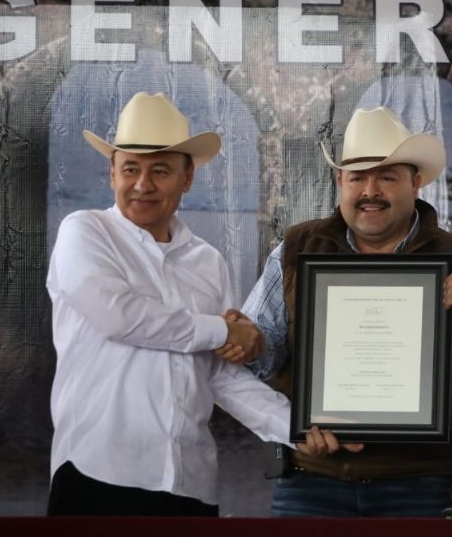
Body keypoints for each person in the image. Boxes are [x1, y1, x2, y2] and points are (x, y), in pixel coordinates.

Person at [241, 106, 452, 517]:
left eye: (387, 177)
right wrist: (249, 346)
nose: (370, 191)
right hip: (310, 482)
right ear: (340, 182)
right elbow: (256, 365)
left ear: (416, 182)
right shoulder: (295, 252)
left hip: (420, 487)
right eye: (357, 177)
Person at [46, 92, 303, 516]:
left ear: (187, 179)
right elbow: (121, 317)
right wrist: (226, 331)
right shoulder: (84, 232)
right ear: (111, 174)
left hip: (190, 487)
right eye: (130, 168)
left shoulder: (208, 261)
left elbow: (221, 375)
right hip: (96, 477)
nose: (143, 184)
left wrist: (300, 430)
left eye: (160, 171)